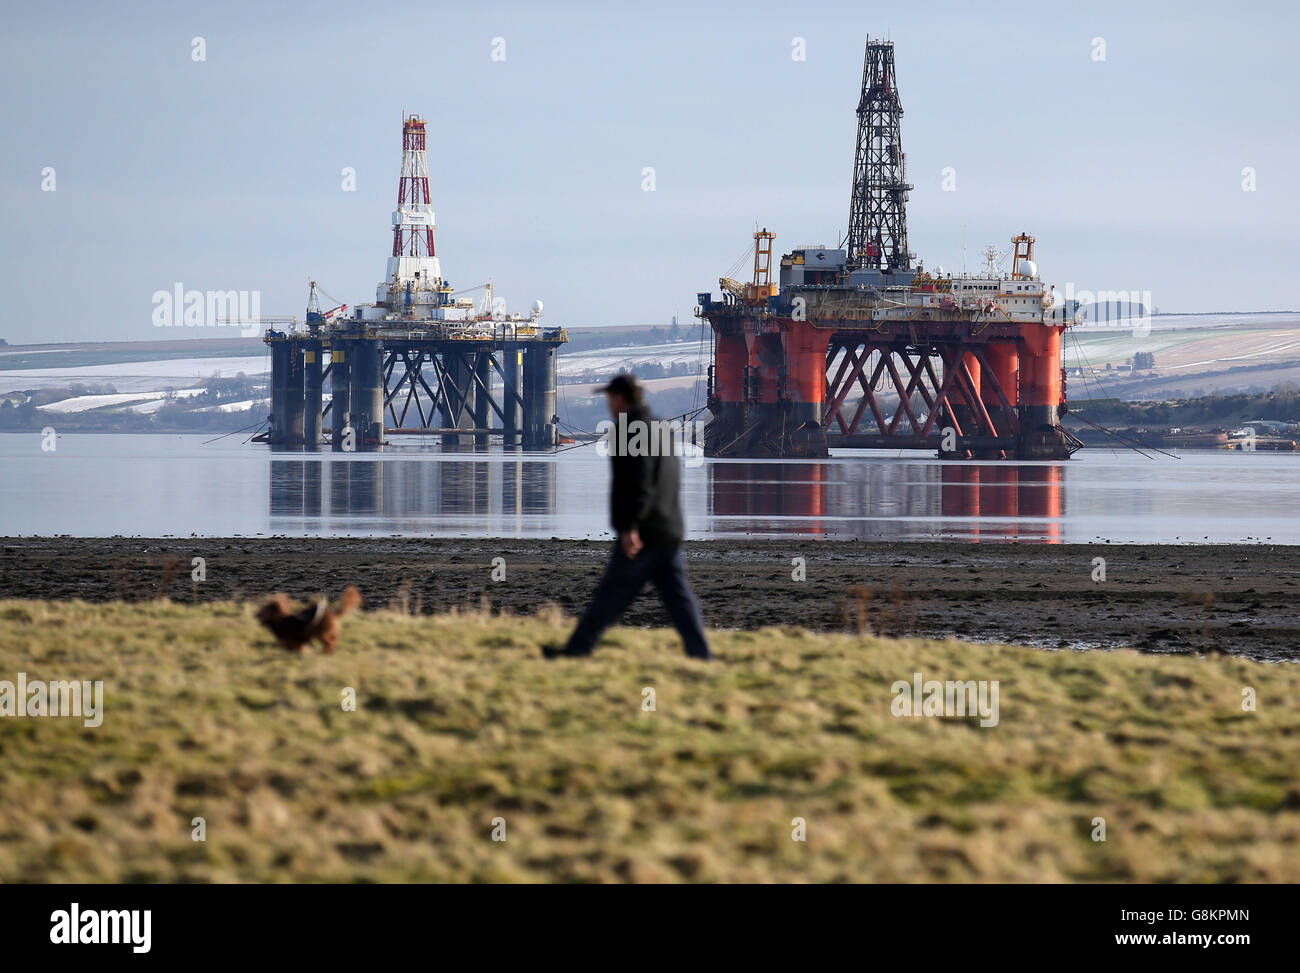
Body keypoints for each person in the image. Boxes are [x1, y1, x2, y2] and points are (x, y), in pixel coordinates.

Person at [543, 374, 711, 660]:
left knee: (611, 594)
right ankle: (702, 656)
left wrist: (630, 527)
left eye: (610, 398)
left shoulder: (629, 431)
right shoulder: (660, 428)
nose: (608, 404)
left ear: (620, 399)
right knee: (678, 600)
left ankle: (577, 650)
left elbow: (639, 482)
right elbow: (664, 480)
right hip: (668, 527)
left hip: (644, 532)